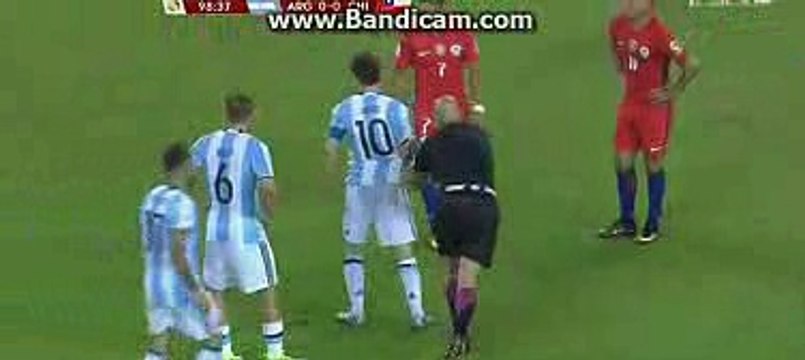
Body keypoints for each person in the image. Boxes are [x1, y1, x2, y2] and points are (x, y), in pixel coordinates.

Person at [190, 93, 302, 360]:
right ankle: (275, 354)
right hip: (247, 227)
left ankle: (224, 352)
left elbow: (188, 175)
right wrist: (268, 213)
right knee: (267, 289)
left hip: (215, 228)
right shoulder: (255, 147)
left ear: (227, 114)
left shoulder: (205, 142)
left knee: (216, 291)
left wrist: (202, 202)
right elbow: (267, 187)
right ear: (252, 115)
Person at [326, 51, 429, 328]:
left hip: (358, 185)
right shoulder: (395, 108)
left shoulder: (343, 109)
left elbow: (332, 147)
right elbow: (408, 146)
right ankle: (417, 313)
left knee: (353, 248)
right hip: (391, 185)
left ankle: (356, 310)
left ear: (356, 76)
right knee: (402, 250)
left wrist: (332, 174)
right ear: (379, 73)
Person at [599, 0, 700, 244]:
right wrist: (621, 66)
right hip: (629, 105)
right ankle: (626, 221)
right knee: (622, 162)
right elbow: (616, 48)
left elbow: (692, 64)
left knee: (653, 164)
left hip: (654, 110)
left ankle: (652, 222)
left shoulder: (660, 33)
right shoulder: (617, 26)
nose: (628, 4)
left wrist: (674, 90)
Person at [409, 96, 499, 359]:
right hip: (483, 204)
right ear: (459, 115)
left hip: (451, 206)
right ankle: (461, 334)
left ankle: (459, 332)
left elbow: (416, 179)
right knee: (468, 277)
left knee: (453, 272)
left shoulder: (432, 142)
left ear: (436, 120)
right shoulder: (480, 136)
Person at [393, 0, 482, 248]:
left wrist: (475, 106)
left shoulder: (462, 29)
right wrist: (403, 113)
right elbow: (400, 73)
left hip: (458, 111)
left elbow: (473, 67)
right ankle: (437, 224)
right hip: (426, 114)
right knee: (429, 170)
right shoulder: (411, 32)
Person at [139, 142, 222, 360]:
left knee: (159, 343)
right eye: (192, 165)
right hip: (177, 285)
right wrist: (196, 290)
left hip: (152, 282)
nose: (195, 169)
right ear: (183, 166)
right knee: (214, 332)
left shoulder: (152, 197)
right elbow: (178, 254)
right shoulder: (183, 205)